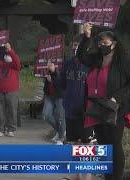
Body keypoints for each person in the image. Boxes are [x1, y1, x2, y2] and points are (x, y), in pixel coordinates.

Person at [77, 23, 130, 180]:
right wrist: (86, 37)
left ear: (114, 44)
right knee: (104, 146)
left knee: (114, 144)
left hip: (114, 109)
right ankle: (108, 176)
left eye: (105, 43)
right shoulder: (96, 59)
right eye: (100, 43)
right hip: (96, 108)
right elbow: (81, 56)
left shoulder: (123, 61)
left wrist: (117, 97)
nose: (101, 46)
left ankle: (116, 177)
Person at [48, 35, 93, 180]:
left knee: (86, 144)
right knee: (75, 144)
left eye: (78, 45)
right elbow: (61, 85)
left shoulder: (90, 64)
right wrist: (54, 72)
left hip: (86, 111)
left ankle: (87, 176)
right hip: (70, 109)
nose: (75, 48)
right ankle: (77, 175)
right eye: (73, 45)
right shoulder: (67, 64)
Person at [42, 68, 65, 145]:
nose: (49, 65)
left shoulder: (60, 72)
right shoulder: (48, 73)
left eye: (51, 64)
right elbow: (46, 86)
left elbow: (61, 85)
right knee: (46, 115)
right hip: (49, 96)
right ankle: (60, 131)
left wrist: (52, 81)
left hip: (59, 96)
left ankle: (61, 137)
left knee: (60, 117)